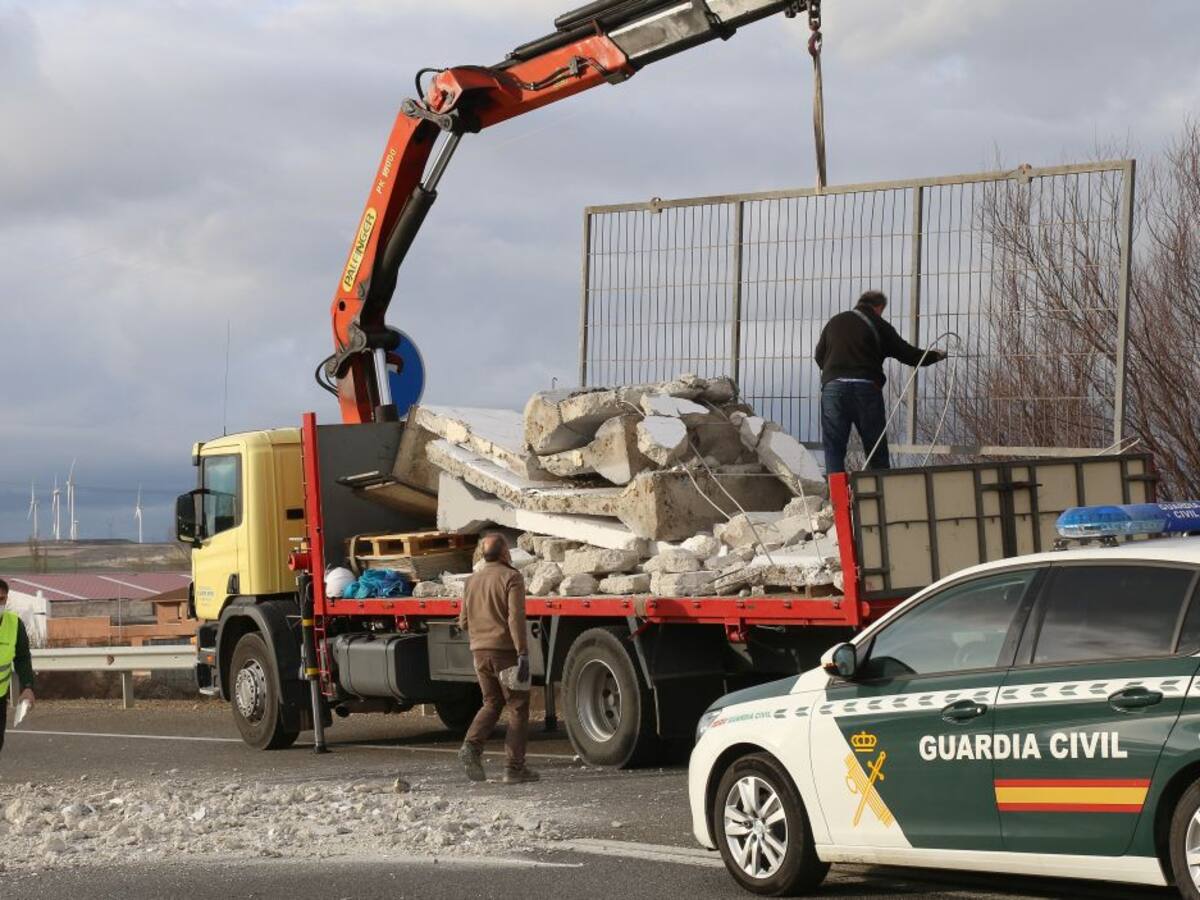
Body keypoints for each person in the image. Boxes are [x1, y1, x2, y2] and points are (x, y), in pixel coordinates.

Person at [814, 290, 946, 475]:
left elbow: (819, 356)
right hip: (866, 389)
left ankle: (837, 499)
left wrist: (835, 373)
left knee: (834, 447)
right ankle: (880, 495)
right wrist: (936, 355)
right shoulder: (880, 325)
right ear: (879, 308)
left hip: (833, 388)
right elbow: (909, 354)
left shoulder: (835, 322)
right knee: (875, 447)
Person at [456, 534, 538, 784]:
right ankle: (514, 769)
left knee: (491, 702)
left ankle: (471, 746)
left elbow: (463, 621)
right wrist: (522, 652)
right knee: (518, 706)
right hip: (505, 654)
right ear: (505, 554)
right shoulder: (511, 577)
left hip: (479, 653)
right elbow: (515, 618)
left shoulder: (471, 580)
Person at [1, 578, 36, 754]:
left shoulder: (14, 624)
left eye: (1, 599)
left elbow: (22, 658)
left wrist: (28, 687)